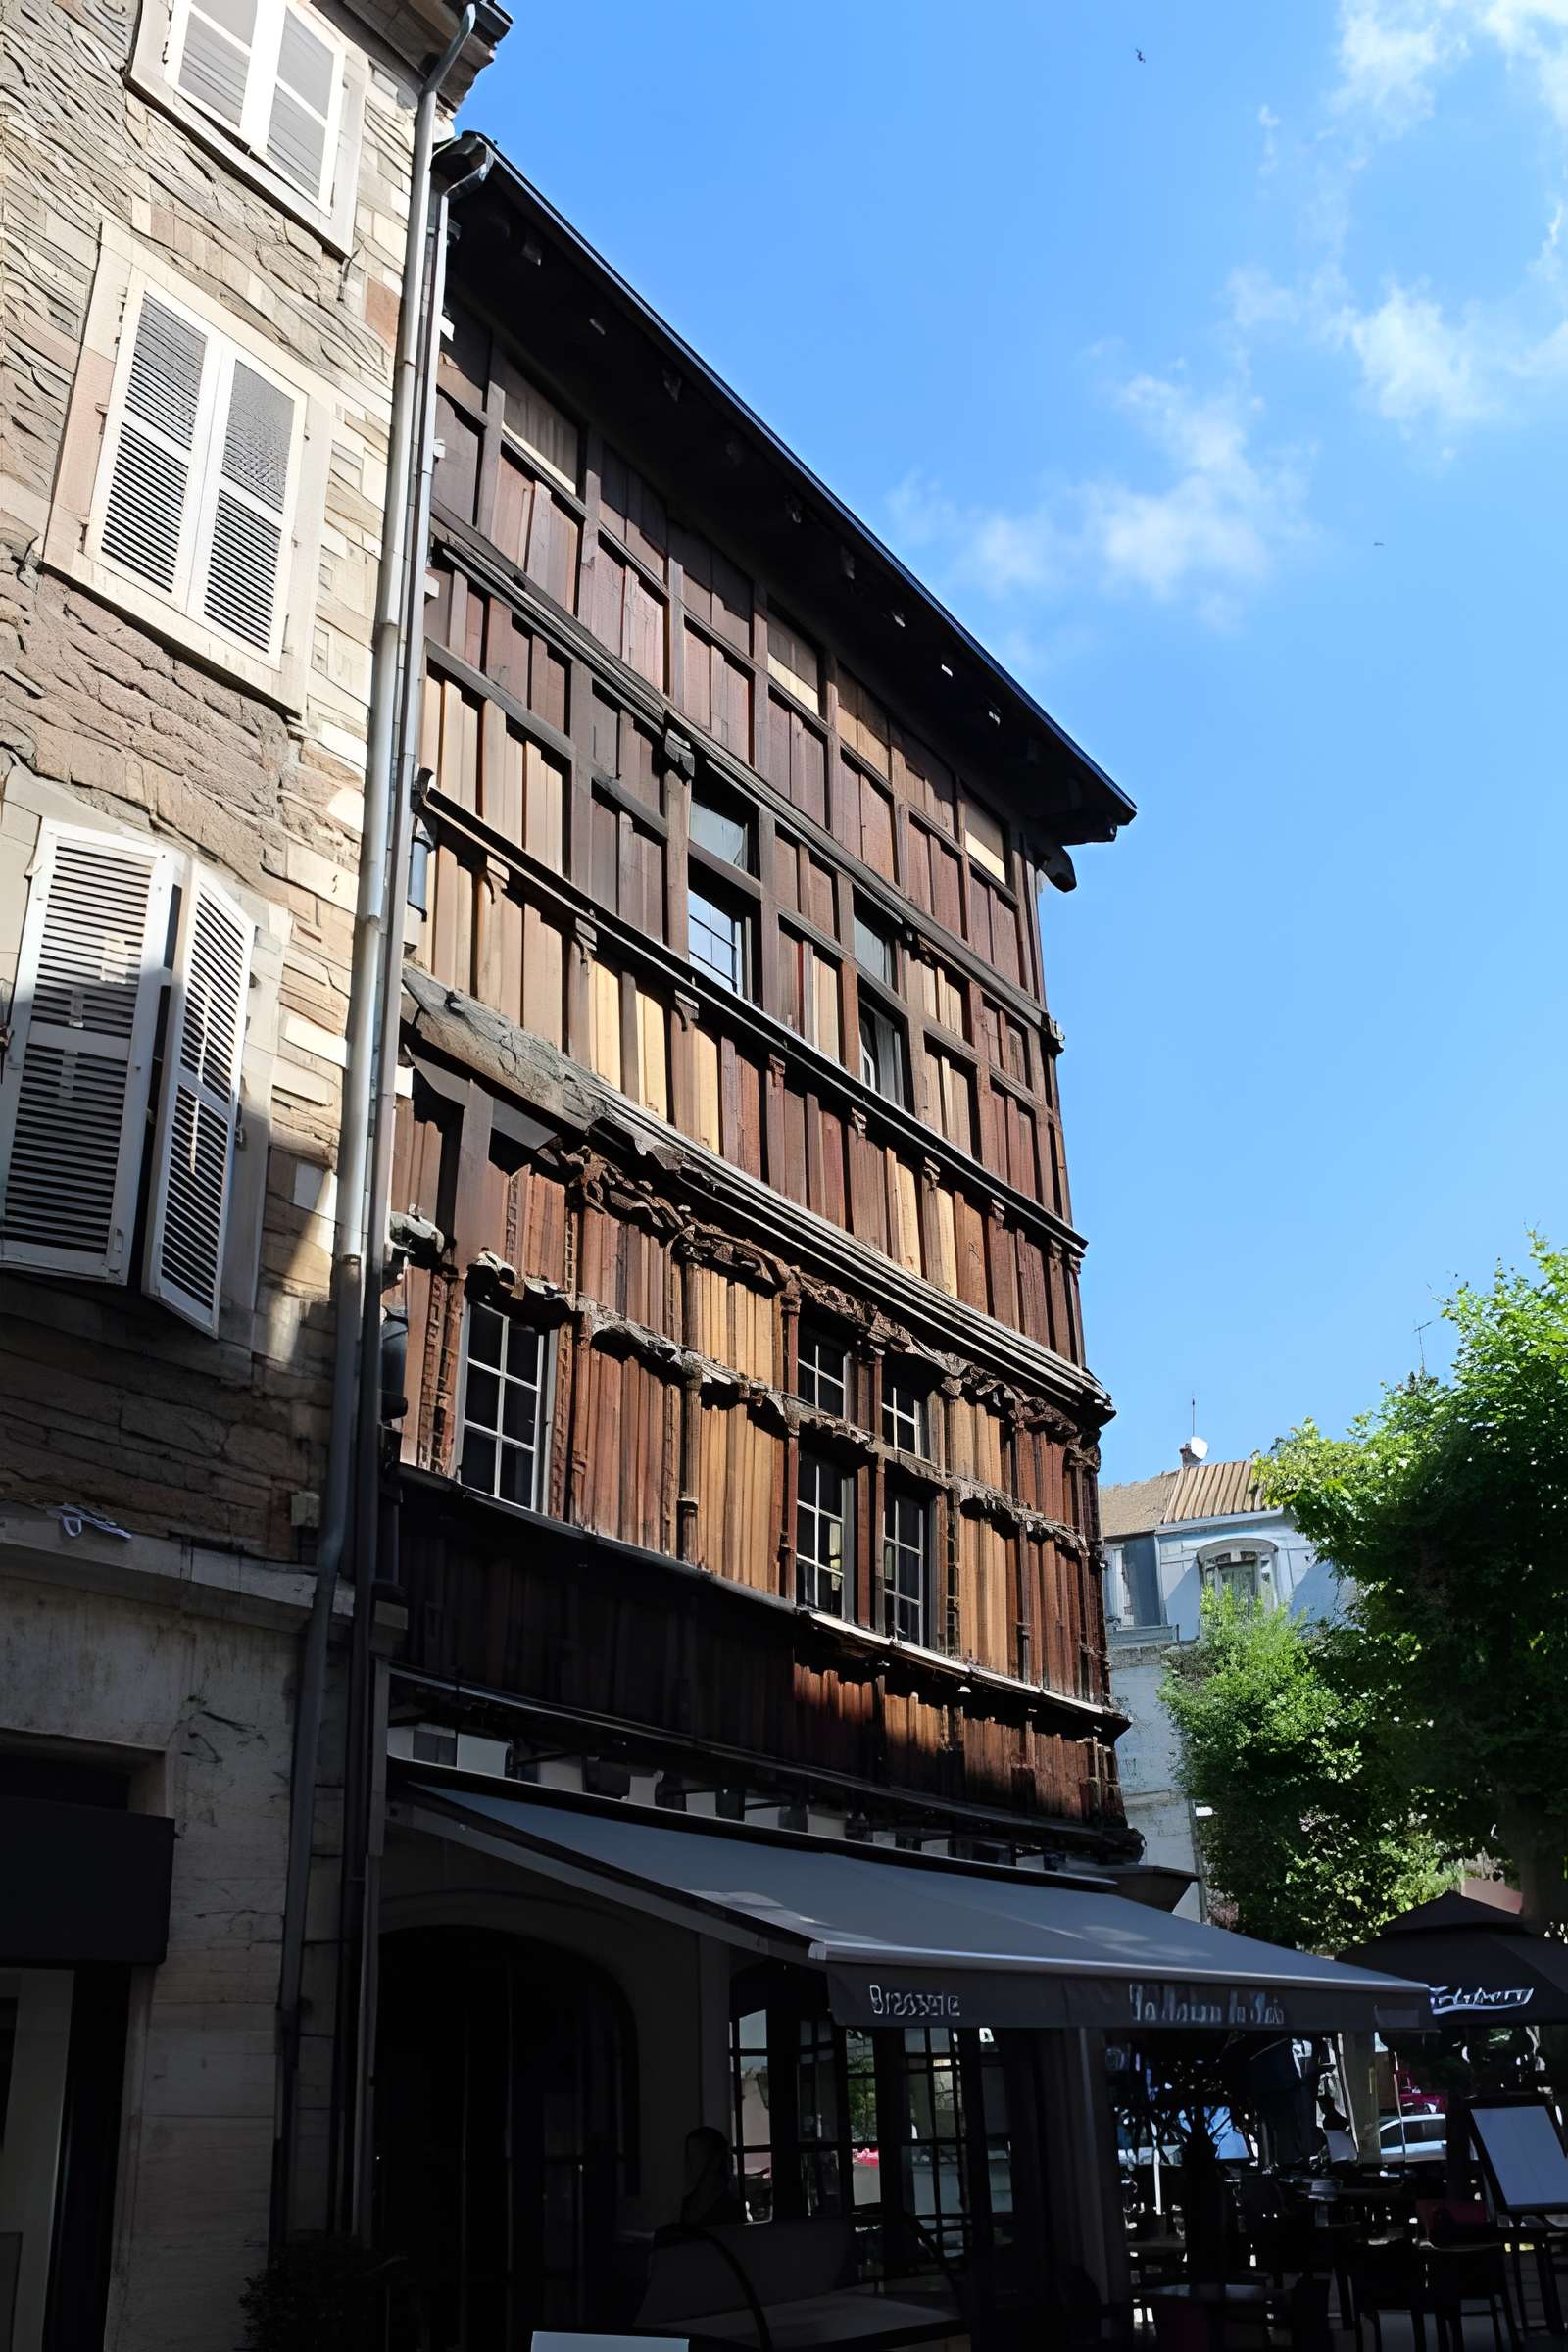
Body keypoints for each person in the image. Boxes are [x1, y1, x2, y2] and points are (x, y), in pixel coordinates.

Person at [677, 2124, 744, 2228]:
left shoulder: (730, 2210)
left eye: (695, 2158)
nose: (688, 2164)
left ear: (715, 2161)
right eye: (688, 2157)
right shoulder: (685, 2203)